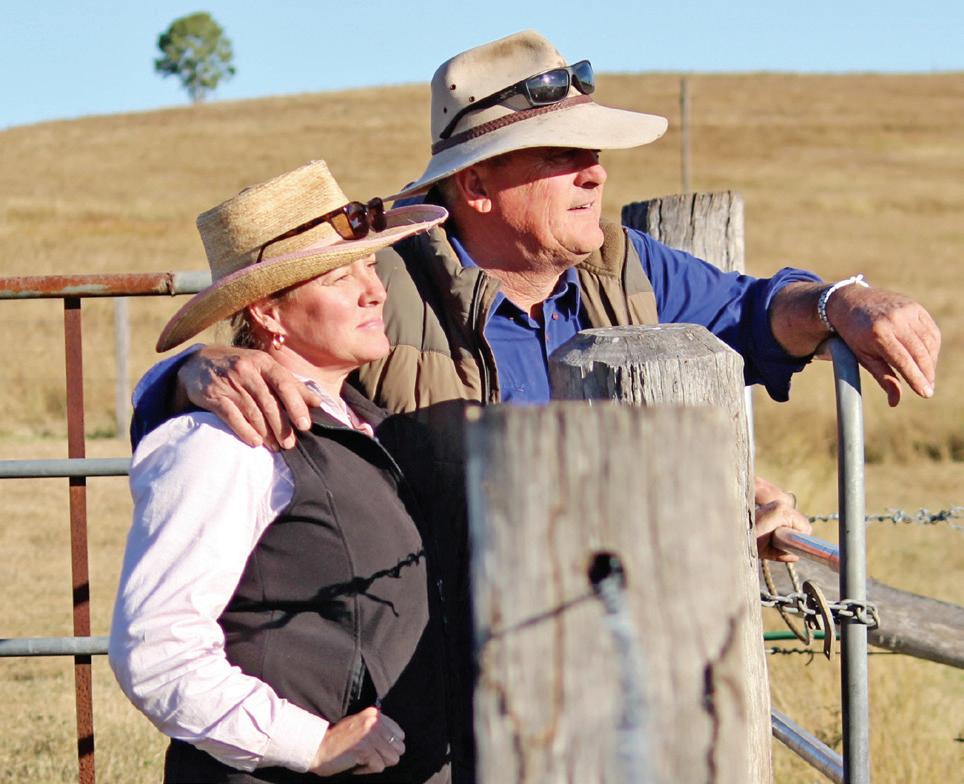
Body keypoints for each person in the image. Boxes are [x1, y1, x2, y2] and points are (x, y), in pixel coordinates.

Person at [109, 160, 454, 783]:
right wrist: (308, 742)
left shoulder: (366, 426)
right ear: (268, 313)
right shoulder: (228, 442)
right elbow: (156, 649)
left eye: (370, 267)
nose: (374, 291)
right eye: (340, 277)